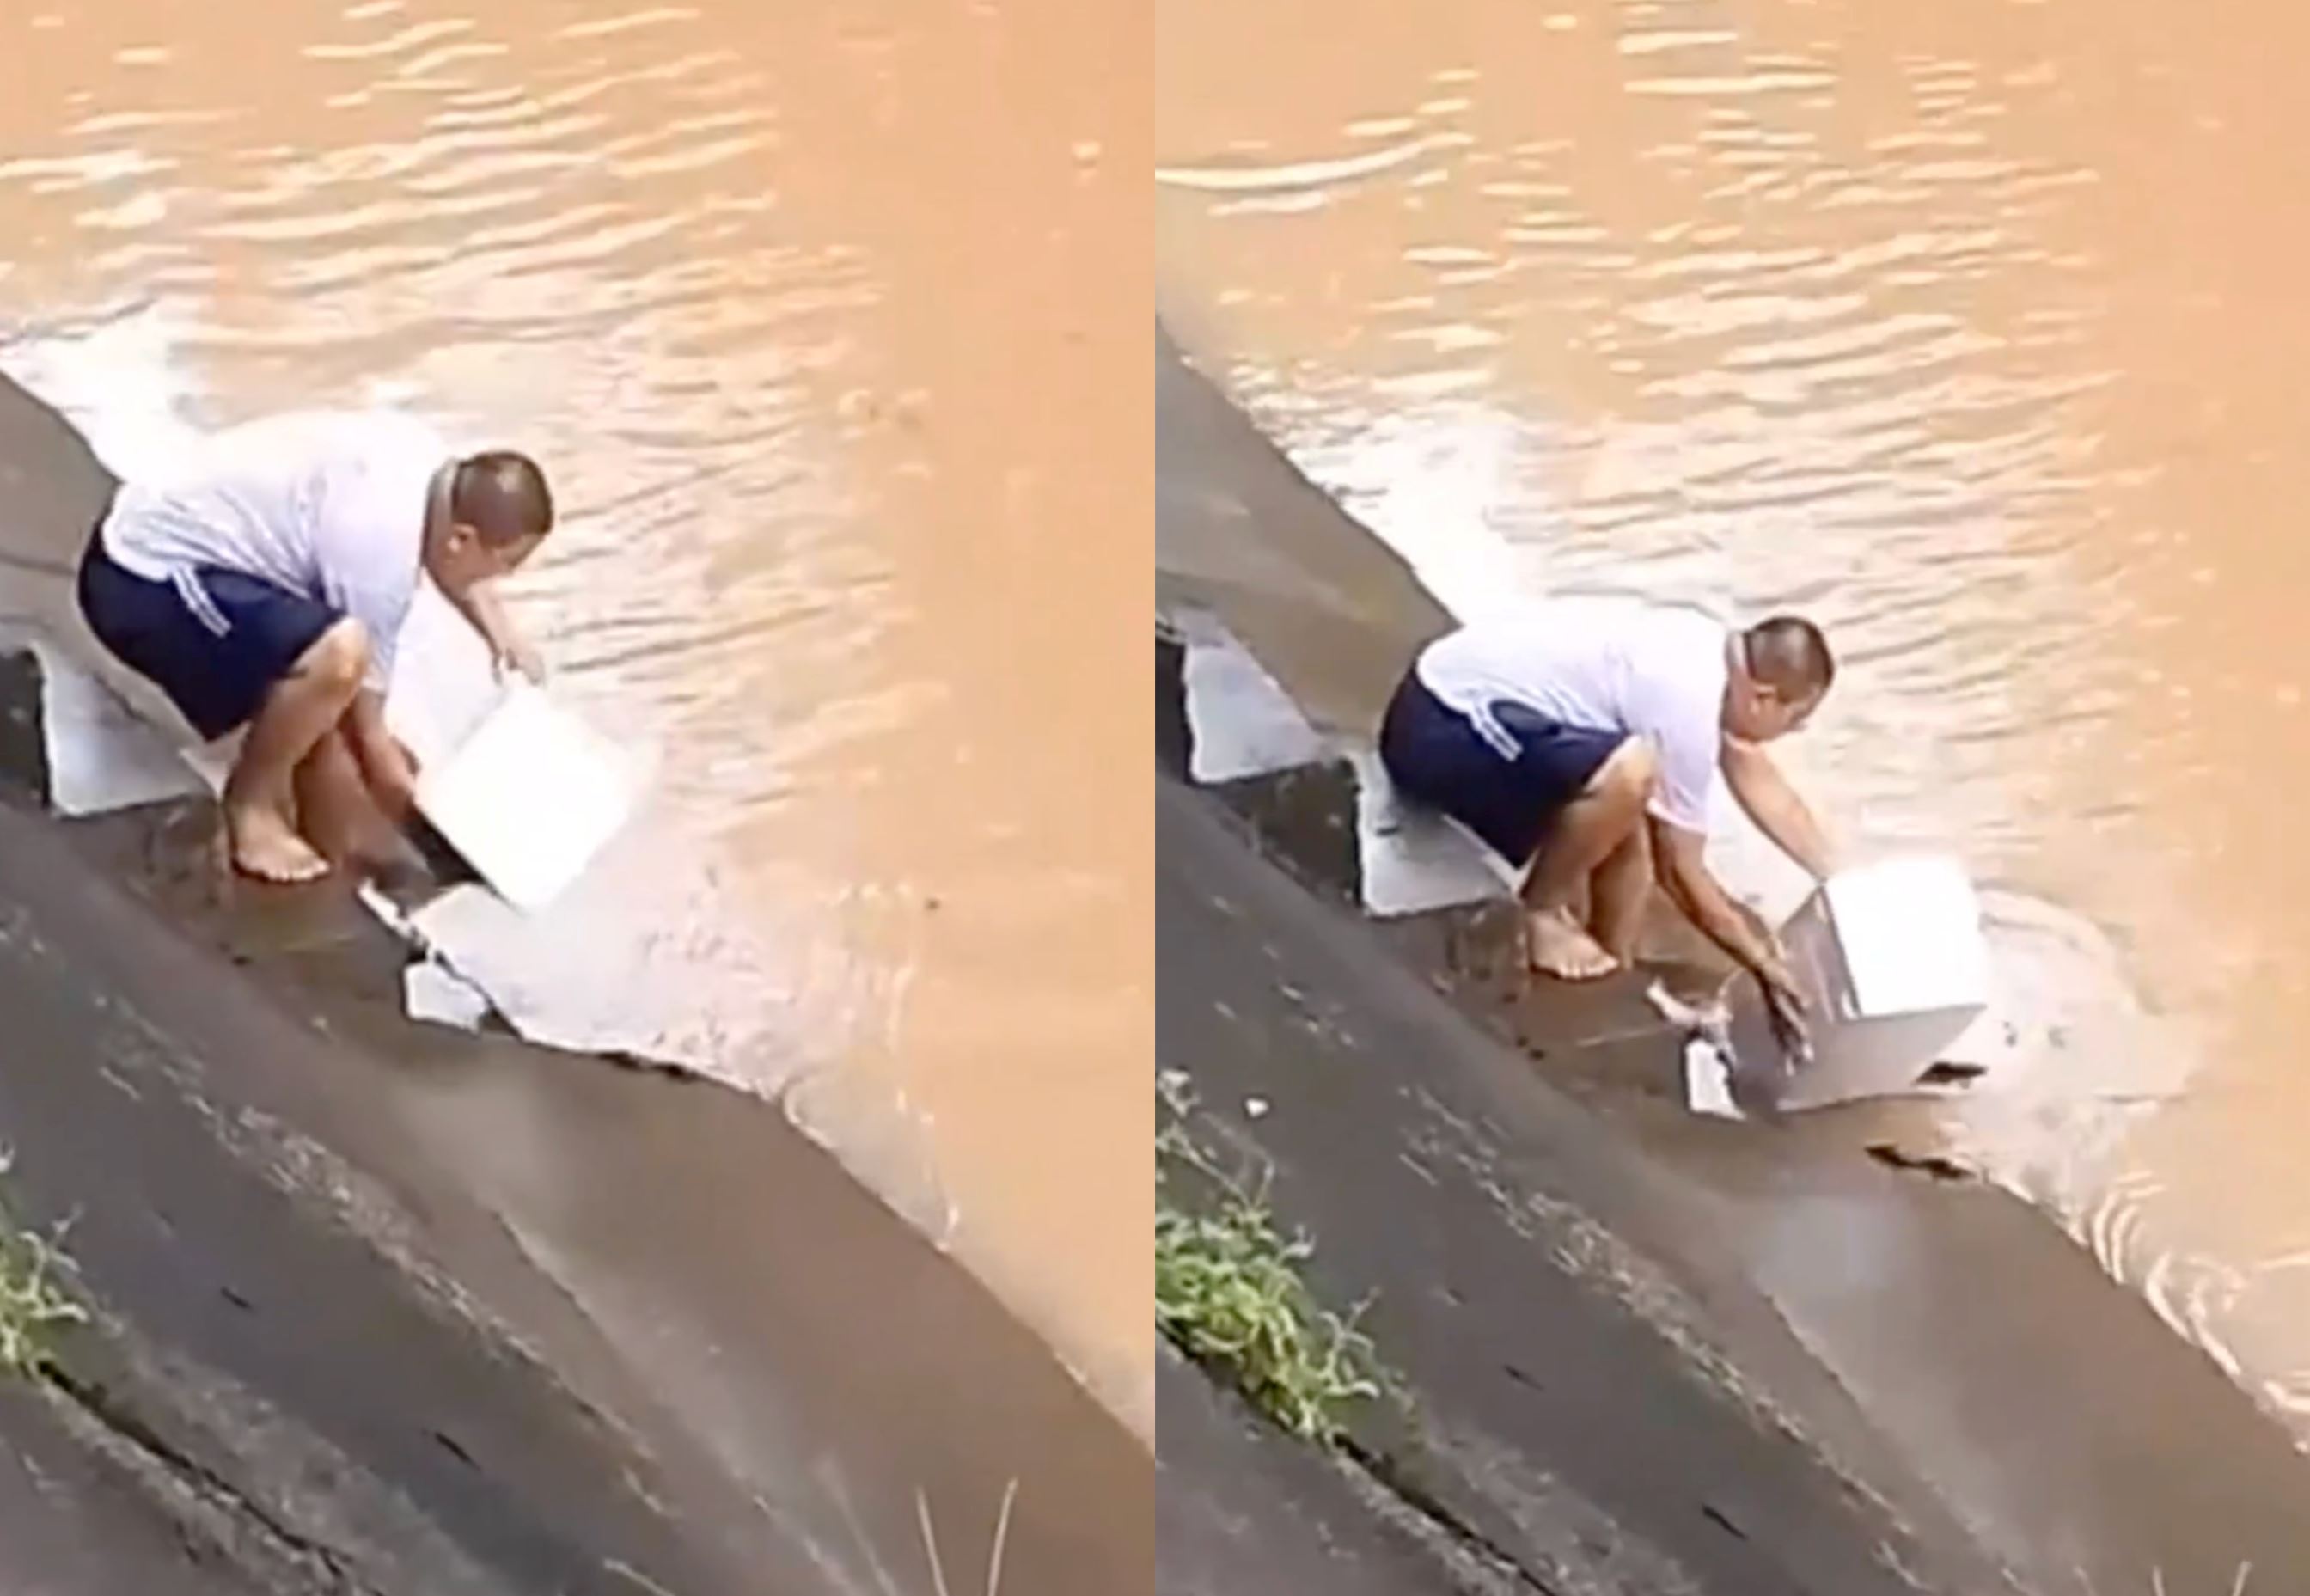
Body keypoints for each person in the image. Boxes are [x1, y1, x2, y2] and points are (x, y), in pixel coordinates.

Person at [76, 408, 553, 884]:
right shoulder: (379, 543)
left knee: (324, 707)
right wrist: (408, 794)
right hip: (139, 582)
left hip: (169, 532)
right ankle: (252, 810)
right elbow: (363, 704)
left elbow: (449, 557)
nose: (501, 579)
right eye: (504, 564)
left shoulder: (430, 463)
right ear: (463, 539)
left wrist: (499, 632)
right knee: (338, 660)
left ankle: (327, 837)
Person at [1378, 594, 1837, 1039]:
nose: (1793, 732)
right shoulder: (1688, 699)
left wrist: (1840, 878)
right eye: (1795, 719)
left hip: (1463, 704)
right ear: (1762, 697)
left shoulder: (1705, 646)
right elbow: (1679, 872)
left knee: (1629, 808)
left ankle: (1614, 968)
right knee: (1630, 776)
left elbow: (1756, 775)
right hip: (1435, 726)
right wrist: (1765, 967)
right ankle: (1540, 914)